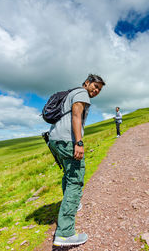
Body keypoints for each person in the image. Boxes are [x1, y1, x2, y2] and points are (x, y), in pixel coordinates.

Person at [48, 74, 105, 247]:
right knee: (75, 181)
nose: (95, 91)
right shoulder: (82, 93)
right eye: (94, 86)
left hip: (54, 139)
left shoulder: (71, 93)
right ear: (87, 83)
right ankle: (65, 234)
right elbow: (76, 116)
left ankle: (73, 204)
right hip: (68, 140)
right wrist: (79, 142)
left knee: (68, 174)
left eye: (99, 90)